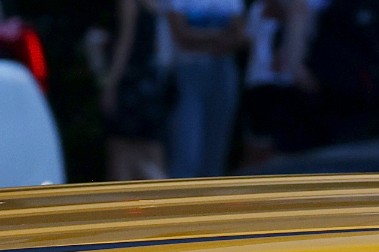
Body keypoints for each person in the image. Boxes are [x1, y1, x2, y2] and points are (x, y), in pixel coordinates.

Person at [164, 0, 246, 177]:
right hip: (188, 69)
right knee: (187, 147)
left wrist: (201, 38)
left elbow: (239, 35)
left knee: (216, 147)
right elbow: (180, 34)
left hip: (223, 70)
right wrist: (219, 36)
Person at [239, 0, 322, 167]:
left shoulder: (302, 9)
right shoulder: (258, 8)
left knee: (284, 146)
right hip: (261, 81)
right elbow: (248, 39)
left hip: (288, 84)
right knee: (258, 143)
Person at [100, 0, 173, 181]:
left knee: (121, 153)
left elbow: (125, 43)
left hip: (131, 84)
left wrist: (110, 85)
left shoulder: (129, 3)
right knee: (150, 151)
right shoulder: (154, 5)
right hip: (151, 83)